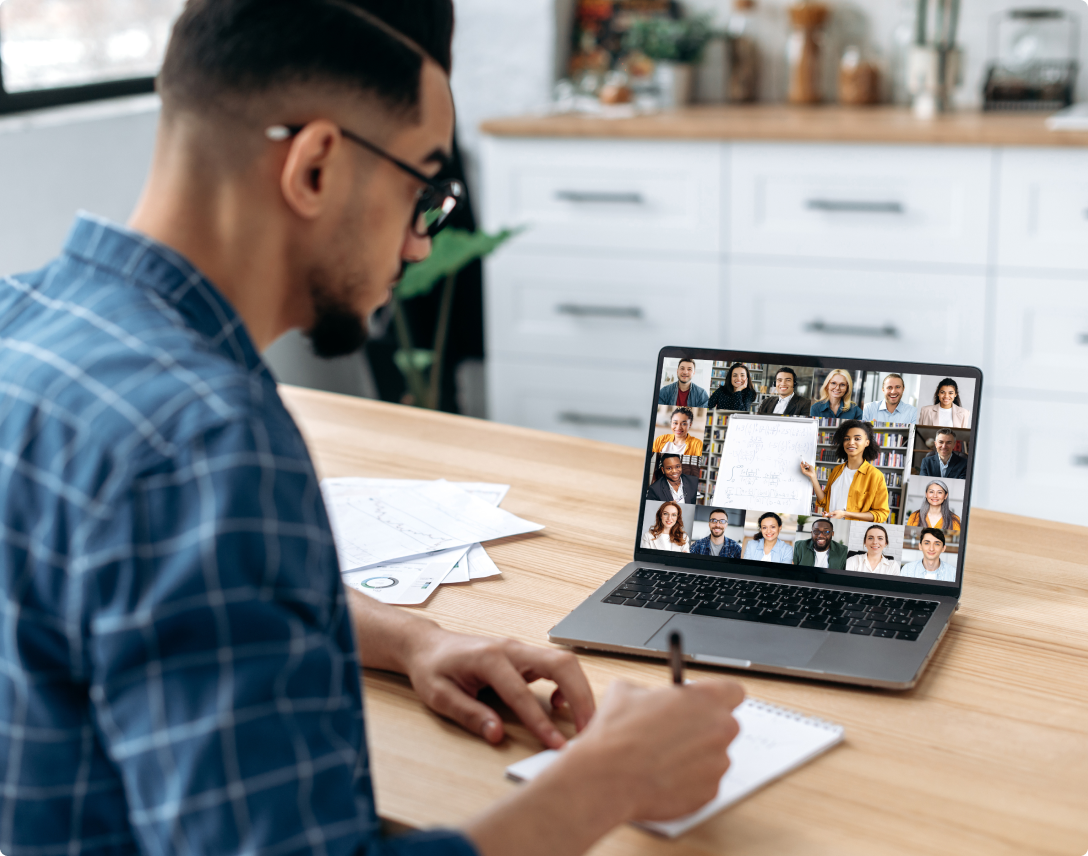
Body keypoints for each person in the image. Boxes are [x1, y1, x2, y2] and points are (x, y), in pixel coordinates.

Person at [0, 3, 747, 855]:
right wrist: (612, 777)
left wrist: (408, 638)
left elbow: (130, 600)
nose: (423, 245)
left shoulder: (22, 319)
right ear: (315, 165)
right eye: (424, 188)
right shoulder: (205, 444)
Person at [801, 419, 890, 522]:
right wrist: (813, 477)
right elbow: (824, 501)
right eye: (846, 439)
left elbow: (882, 514)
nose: (851, 442)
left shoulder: (875, 475)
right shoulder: (837, 470)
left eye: (857, 439)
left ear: (867, 442)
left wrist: (844, 514)